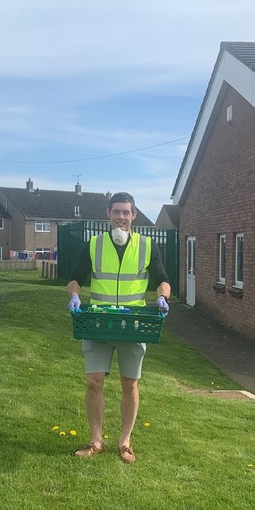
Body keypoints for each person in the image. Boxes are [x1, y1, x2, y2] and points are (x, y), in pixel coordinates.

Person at [66, 192, 171, 464]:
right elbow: (76, 278)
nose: (121, 217)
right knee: (93, 382)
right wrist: (74, 295)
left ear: (134, 215)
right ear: (108, 214)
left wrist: (162, 296)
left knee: (129, 383)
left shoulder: (148, 246)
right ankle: (96, 441)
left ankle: (124, 442)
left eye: (126, 212)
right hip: (98, 322)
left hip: (133, 325)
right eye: (116, 212)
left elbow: (162, 278)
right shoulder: (94, 244)